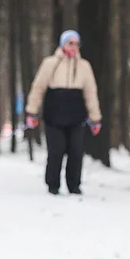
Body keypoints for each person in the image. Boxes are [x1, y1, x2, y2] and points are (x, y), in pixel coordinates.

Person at [26, 30, 102, 196]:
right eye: (70, 43)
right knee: (56, 150)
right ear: (62, 44)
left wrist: (95, 118)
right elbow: (38, 88)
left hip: (76, 116)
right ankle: (53, 184)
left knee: (76, 151)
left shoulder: (84, 66)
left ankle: (74, 184)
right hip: (54, 114)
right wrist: (32, 111)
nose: (73, 47)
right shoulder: (50, 64)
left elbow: (90, 92)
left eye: (76, 43)